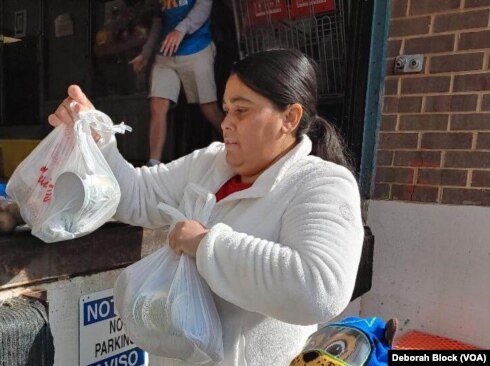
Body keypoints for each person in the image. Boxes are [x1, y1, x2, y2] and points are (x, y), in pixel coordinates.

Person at [49, 49, 364, 365]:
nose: (226, 123)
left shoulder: (321, 184)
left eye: (241, 111)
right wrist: (97, 139)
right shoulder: (209, 163)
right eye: (227, 110)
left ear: (289, 118)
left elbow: (319, 290)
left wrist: (204, 244)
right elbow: (136, 196)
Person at [129, 0, 225, 166]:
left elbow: (204, 6)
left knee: (208, 106)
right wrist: (146, 52)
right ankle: (154, 163)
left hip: (197, 49)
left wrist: (180, 30)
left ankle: (238, 144)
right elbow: (158, 22)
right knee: (157, 104)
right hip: (166, 53)